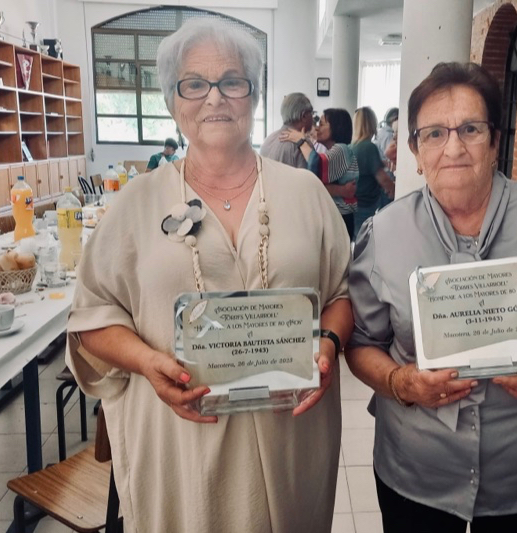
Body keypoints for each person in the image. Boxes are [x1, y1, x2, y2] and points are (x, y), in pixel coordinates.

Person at [66, 19, 353, 532]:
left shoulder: (305, 193)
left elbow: (340, 293)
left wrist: (329, 342)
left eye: (233, 81)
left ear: (253, 94)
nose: (215, 97)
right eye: (194, 83)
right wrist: (147, 361)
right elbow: (91, 316)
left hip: (291, 434)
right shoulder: (135, 203)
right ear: (173, 102)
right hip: (181, 441)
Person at [346, 62, 517, 532]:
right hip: (418, 468)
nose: (452, 147)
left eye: (470, 129)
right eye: (433, 134)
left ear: (495, 140)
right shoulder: (383, 234)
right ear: (413, 150)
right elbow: (362, 344)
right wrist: (403, 382)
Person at [280, 108, 359, 237]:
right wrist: (341, 190)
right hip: (336, 217)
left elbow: (316, 168)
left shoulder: (341, 149)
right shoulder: (336, 150)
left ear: (336, 127)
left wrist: (301, 141)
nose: (317, 128)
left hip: (339, 218)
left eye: (322, 124)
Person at [351, 107, 395, 238]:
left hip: (355, 203)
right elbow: (383, 179)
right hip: (365, 205)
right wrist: (396, 190)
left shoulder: (354, 146)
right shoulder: (368, 147)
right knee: (364, 243)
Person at [260, 92, 315, 168]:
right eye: (312, 113)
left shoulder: (267, 140)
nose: (313, 118)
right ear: (304, 116)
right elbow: (310, 178)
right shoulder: (302, 145)